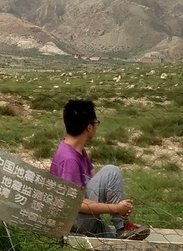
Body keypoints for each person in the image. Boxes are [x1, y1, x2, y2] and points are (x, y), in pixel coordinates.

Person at [49, 99, 149, 240]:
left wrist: (116, 203)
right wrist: (116, 208)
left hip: (82, 218)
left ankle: (122, 228)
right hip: (74, 221)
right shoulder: (69, 159)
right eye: (95, 123)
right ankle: (122, 227)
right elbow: (76, 203)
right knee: (111, 172)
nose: (96, 127)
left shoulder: (76, 149)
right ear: (89, 127)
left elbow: (94, 182)